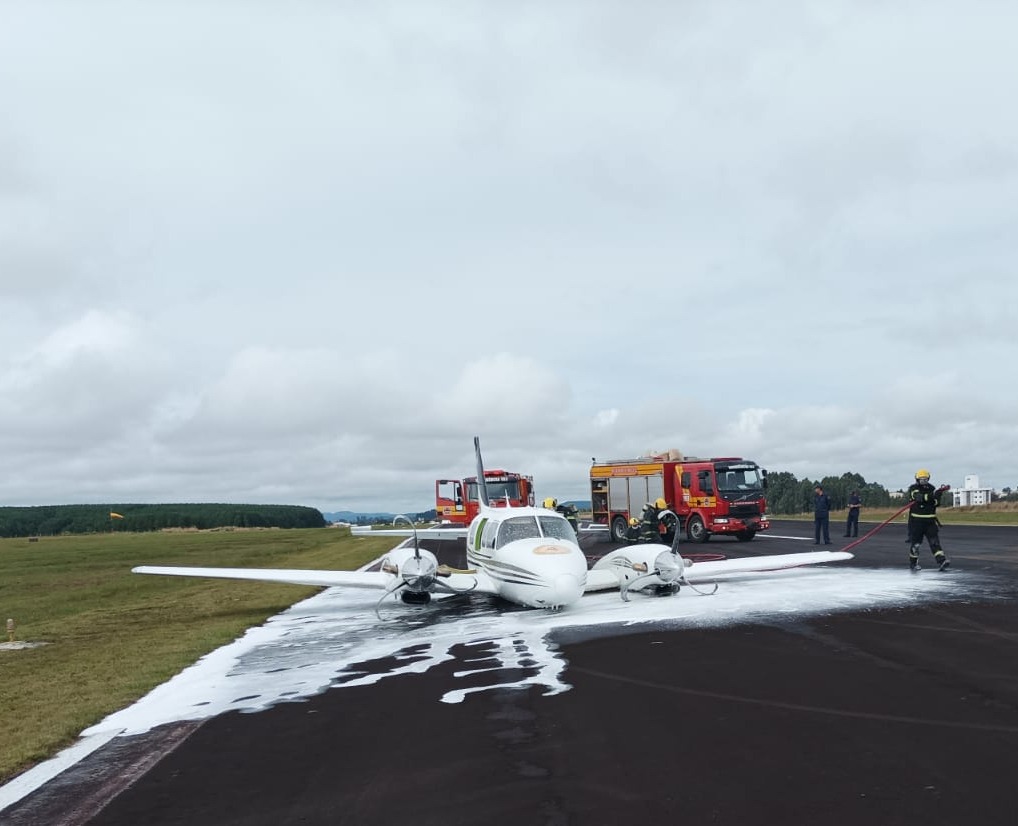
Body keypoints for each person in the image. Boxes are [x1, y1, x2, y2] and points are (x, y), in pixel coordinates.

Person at [907, 469, 951, 571]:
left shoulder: (932, 488)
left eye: (925, 479)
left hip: (930, 521)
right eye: (921, 480)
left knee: (934, 543)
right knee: (916, 545)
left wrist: (937, 496)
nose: (924, 481)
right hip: (916, 522)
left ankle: (942, 561)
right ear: (917, 480)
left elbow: (936, 502)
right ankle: (913, 563)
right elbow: (919, 497)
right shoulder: (913, 488)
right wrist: (932, 496)